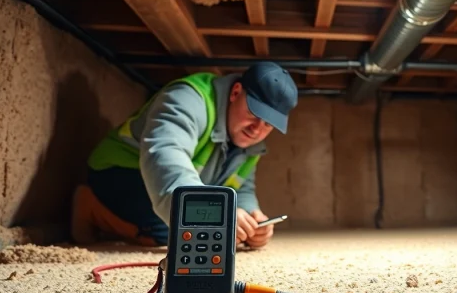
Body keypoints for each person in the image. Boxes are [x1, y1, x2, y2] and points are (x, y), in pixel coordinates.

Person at [70, 62, 298, 249]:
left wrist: (252, 217)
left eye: (268, 124)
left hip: (161, 181)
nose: (257, 129)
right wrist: (217, 214)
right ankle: (92, 206)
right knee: (172, 233)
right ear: (235, 92)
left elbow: (241, 188)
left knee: (197, 226)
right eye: (253, 113)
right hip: (121, 172)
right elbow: (166, 161)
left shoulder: (250, 141)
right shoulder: (188, 99)